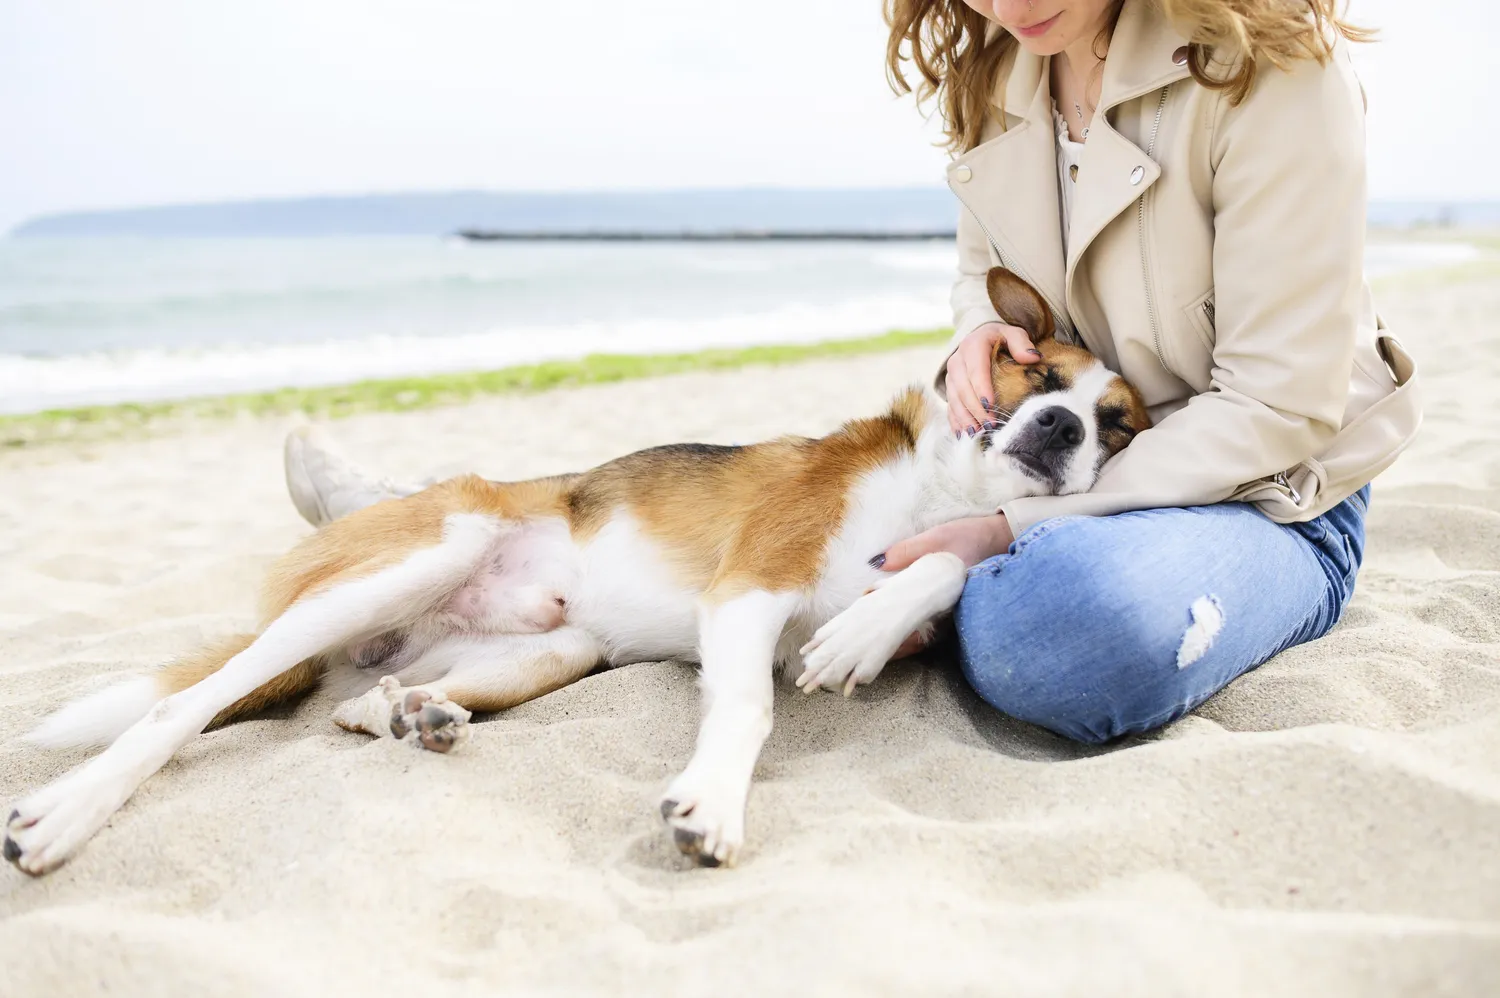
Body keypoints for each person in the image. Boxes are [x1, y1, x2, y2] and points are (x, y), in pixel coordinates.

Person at [282, 0, 1420, 745]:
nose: (1008, 3)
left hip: (1268, 493)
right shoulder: (1001, 62)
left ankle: (425, 522)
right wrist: (978, 332)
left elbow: (1279, 404)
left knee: (1062, 635)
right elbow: (993, 280)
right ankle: (418, 516)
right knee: (817, 525)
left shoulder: (1274, 75)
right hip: (1047, 461)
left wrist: (1005, 538)